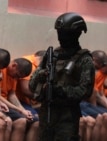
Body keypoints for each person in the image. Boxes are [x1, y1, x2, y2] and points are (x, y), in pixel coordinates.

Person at [29, 12, 95, 141]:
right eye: (59, 33)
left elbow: (85, 91)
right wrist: (42, 76)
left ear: (76, 34)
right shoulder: (51, 56)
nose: (61, 37)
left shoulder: (84, 60)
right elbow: (32, 84)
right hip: (47, 112)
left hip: (67, 116)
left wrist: (61, 91)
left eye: (65, 34)